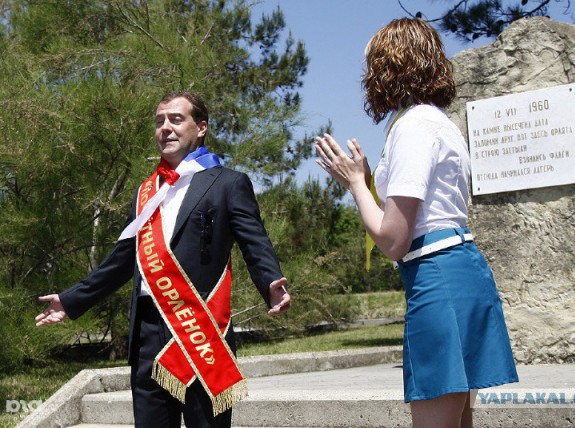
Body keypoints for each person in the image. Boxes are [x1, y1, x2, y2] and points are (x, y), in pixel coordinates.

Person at [36, 90, 291, 428]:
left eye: (175, 119)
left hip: (202, 330)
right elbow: (123, 260)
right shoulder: (145, 192)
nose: (165, 128)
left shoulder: (228, 183)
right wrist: (70, 300)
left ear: (200, 128)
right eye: (159, 122)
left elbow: (253, 239)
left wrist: (270, 281)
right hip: (148, 335)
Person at [315, 18, 518, 428]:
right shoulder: (439, 122)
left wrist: (356, 184)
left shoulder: (412, 128)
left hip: (437, 277)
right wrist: (369, 181)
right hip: (462, 269)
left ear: (390, 66)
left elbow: (393, 239)